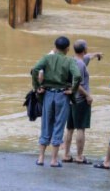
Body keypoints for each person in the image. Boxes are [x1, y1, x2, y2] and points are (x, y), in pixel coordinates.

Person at [31, 36, 81, 167]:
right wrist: (73, 90)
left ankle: (41, 158)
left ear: (55, 46)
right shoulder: (69, 61)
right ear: (67, 49)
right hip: (62, 95)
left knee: (46, 124)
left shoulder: (47, 58)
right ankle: (53, 160)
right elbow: (77, 76)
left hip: (47, 94)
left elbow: (35, 69)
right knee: (59, 125)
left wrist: (37, 87)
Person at [63, 39, 102, 165]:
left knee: (69, 128)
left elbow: (87, 57)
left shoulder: (72, 60)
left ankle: (66, 155)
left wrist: (96, 55)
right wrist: (88, 96)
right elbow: (77, 84)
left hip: (70, 99)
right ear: (84, 49)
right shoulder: (80, 64)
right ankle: (79, 156)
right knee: (80, 128)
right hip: (80, 99)